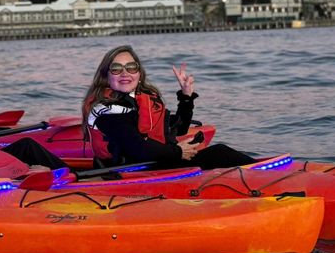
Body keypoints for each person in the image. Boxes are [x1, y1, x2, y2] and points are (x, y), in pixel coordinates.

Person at [83, 45, 256, 170]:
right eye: (116, 69)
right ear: (106, 76)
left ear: (139, 73)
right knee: (220, 153)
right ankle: (271, 176)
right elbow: (139, 149)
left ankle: (260, 173)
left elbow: (178, 129)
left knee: (218, 154)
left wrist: (186, 97)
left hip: (156, 162)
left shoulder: (137, 101)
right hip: (133, 172)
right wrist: (178, 151)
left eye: (131, 67)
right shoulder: (107, 111)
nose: (125, 73)